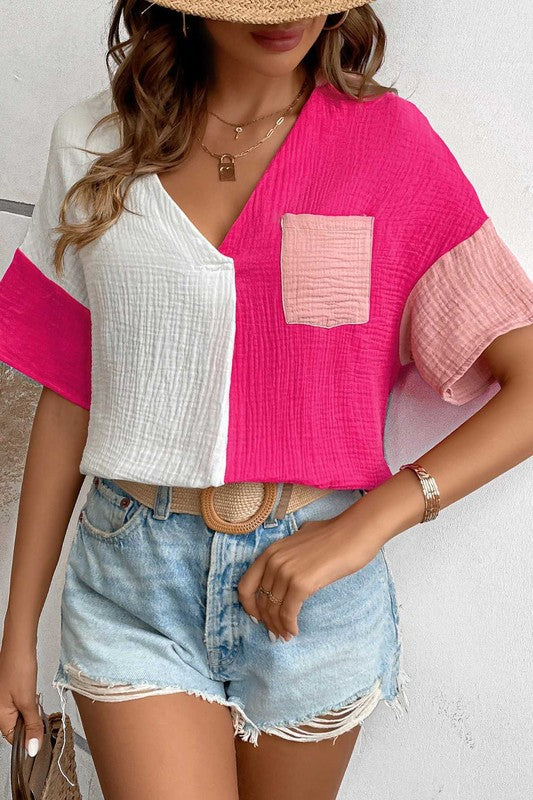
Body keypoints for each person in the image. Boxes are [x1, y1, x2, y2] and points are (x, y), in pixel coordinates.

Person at [1, 1, 532, 798]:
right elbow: (70, 391)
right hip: (133, 585)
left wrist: (371, 521)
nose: (285, 14)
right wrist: (17, 634)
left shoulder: (389, 144)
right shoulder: (94, 141)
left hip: (314, 589)